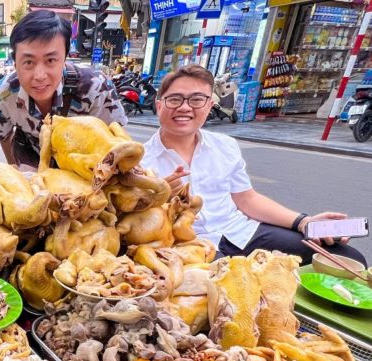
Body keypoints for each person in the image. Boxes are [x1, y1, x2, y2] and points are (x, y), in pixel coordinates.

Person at [140, 64, 367, 266]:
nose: (185, 108)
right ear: (160, 106)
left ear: (209, 106)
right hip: (187, 246)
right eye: (175, 99)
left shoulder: (225, 146)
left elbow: (247, 199)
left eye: (196, 99)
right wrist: (158, 199)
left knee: (346, 258)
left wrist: (304, 222)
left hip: (241, 233)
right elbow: (127, 221)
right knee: (231, 296)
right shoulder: (139, 161)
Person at [0, 10, 128, 168]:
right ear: (15, 63)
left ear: (64, 59)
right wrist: (16, 172)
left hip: (85, 169)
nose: (40, 75)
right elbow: (4, 136)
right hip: (31, 166)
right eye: (29, 62)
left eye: (50, 60)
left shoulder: (96, 88)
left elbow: (119, 145)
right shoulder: (3, 95)